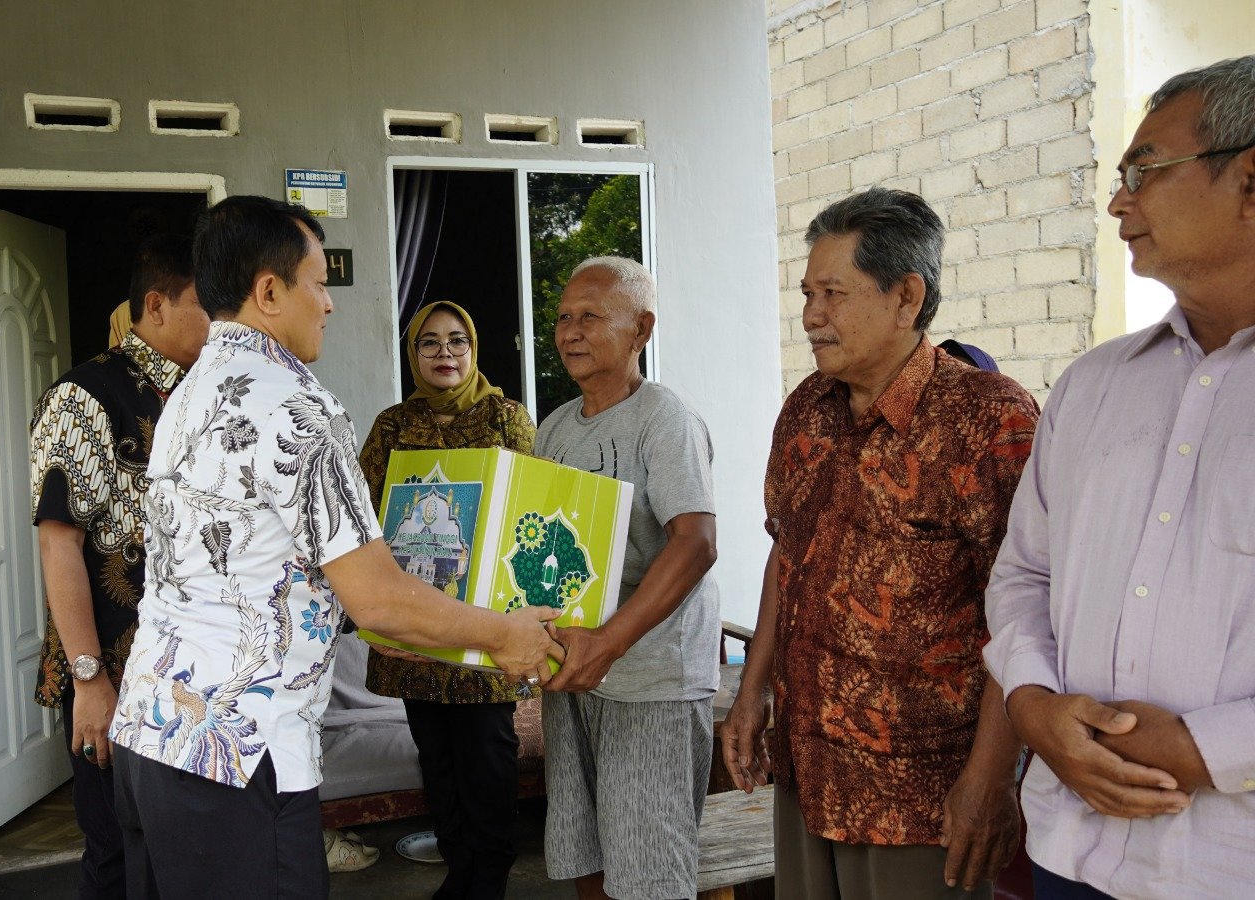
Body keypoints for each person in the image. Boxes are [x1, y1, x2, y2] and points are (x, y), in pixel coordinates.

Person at [106, 195, 563, 899]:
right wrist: (504, 636)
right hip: (238, 754)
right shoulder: (293, 404)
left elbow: (248, 569)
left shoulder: (189, 393)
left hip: (150, 735)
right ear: (268, 291)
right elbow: (378, 597)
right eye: (318, 283)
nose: (330, 303)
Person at [984, 56, 1255, 899]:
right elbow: (1025, 570)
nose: (1116, 203)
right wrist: (1031, 704)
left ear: (1250, 182)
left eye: (1143, 171)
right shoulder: (1095, 384)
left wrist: (1211, 751)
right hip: (1070, 847)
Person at [721, 187, 1039, 899]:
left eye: (832, 293)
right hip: (808, 772)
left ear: (906, 297)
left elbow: (1025, 613)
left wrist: (992, 776)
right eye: (806, 293)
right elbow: (787, 552)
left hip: (922, 795)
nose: (810, 316)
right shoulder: (807, 407)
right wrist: (751, 691)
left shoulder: (989, 420)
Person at [533, 256, 721, 900]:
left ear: (641, 330)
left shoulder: (664, 419)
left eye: (591, 317)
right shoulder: (554, 428)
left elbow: (696, 544)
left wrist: (607, 643)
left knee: (648, 874)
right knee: (583, 853)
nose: (569, 332)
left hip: (651, 682)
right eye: (562, 318)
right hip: (572, 676)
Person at [28, 233, 208, 899]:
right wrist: (89, 682)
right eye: (206, 306)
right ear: (157, 306)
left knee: (183, 860)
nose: (220, 323)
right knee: (117, 858)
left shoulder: (208, 396)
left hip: (195, 681)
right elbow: (59, 544)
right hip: (114, 677)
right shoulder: (86, 396)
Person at [358, 300, 538, 898]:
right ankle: (460, 872)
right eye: (430, 343)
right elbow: (362, 516)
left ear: (474, 348)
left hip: (484, 625)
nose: (445, 354)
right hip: (414, 625)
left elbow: (528, 508)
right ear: (413, 354)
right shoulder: (392, 425)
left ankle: (486, 880)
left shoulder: (506, 418)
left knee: (487, 757)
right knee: (435, 757)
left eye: (457, 341)